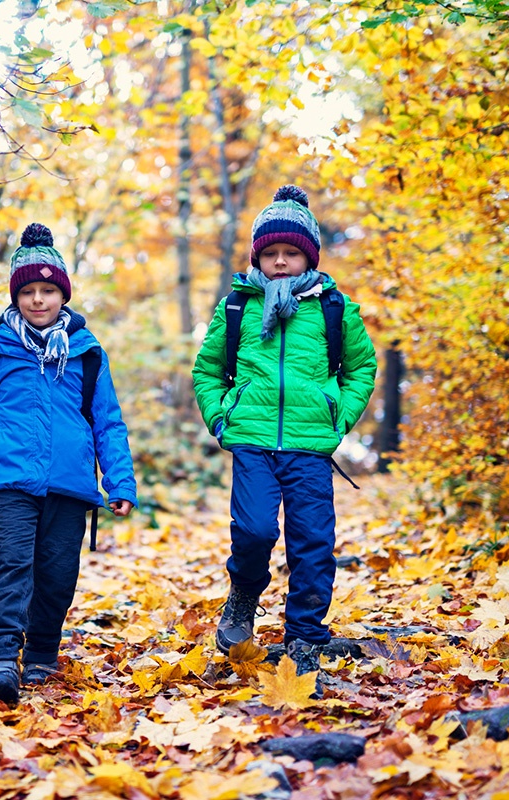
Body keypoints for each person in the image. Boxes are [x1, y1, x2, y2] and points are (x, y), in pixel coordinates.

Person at [0, 222, 137, 705]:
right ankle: (1, 658)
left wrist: (120, 482)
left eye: (47, 291)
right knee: (11, 565)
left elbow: (108, 423)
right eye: (27, 292)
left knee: (58, 574)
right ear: (15, 296)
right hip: (10, 480)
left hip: (70, 484)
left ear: (63, 295)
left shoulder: (88, 354)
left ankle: (42, 652)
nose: (38, 300)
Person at [192, 185, 377, 678]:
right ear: (257, 256)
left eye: (290, 253)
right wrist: (221, 417)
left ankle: (305, 637)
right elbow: (208, 369)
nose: (279, 262)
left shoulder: (335, 308)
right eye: (270, 252)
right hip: (252, 440)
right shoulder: (237, 306)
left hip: (309, 445)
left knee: (312, 541)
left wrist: (338, 417)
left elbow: (361, 367)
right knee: (254, 531)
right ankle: (243, 597)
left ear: (308, 257)